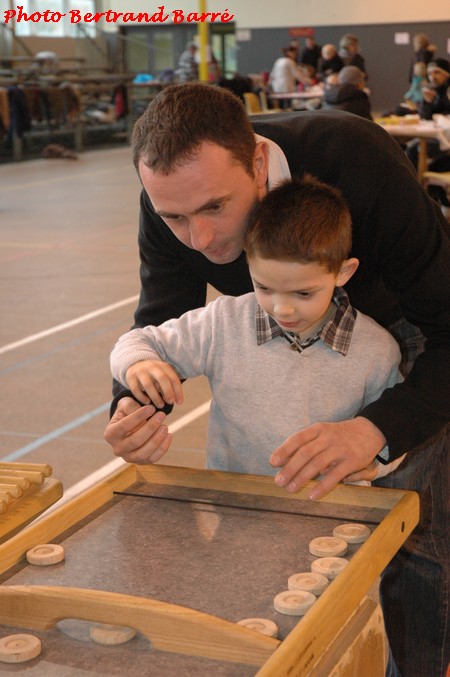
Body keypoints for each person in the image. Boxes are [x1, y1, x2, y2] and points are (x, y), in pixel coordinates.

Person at [104, 83, 450, 677]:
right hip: (278, 334)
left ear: (259, 162)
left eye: (216, 207)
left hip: (405, 324)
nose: (202, 240)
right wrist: (135, 402)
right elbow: (159, 323)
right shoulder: (170, 198)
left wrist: (377, 427)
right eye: (175, 218)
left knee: (417, 531)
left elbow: (449, 328)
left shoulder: (358, 161)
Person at [110, 176, 404, 482]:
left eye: (304, 293)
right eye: (264, 287)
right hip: (236, 508)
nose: (282, 309)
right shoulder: (223, 323)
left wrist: (375, 465)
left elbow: (394, 432)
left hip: (335, 515)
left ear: (343, 272)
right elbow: (136, 341)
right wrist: (139, 363)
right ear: (249, 264)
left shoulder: (377, 350)